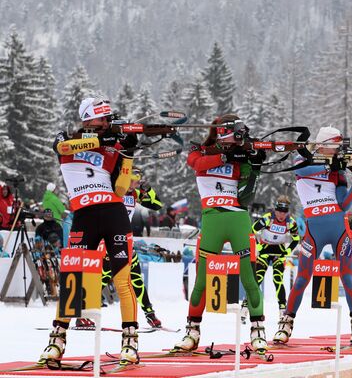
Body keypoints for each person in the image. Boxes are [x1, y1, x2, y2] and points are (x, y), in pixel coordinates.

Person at [38, 97, 140, 367]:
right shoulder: (68, 140)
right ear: (88, 120)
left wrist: (127, 153)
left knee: (122, 280)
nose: (107, 123)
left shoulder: (113, 147)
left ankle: (130, 341)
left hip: (113, 213)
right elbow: (61, 147)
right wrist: (104, 142)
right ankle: (57, 339)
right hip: (83, 216)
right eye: (102, 119)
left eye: (108, 119)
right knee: (74, 280)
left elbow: (120, 189)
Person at [174, 114, 268, 354]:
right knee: (202, 280)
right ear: (220, 132)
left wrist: (254, 166)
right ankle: (192, 332)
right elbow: (196, 164)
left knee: (249, 278)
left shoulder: (242, 156)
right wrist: (225, 156)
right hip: (212, 218)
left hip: (237, 217)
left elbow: (246, 196)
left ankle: (258, 332)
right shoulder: (201, 149)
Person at [273, 126, 352, 346]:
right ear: (323, 145)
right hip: (313, 231)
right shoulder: (302, 159)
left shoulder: (337, 171)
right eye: (334, 148)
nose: (336, 152)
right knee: (303, 278)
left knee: (347, 276)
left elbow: (343, 204)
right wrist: (331, 165)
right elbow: (302, 170)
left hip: (337, 228)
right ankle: (285, 324)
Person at [99, 167, 164, 328]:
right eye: (132, 182)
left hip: (125, 241)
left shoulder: (135, 194)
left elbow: (157, 205)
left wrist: (148, 190)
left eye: (136, 183)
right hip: (108, 241)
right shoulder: (114, 190)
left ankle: (149, 313)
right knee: (102, 278)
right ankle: (81, 310)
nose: (133, 186)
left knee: (136, 278)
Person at [243, 195, 300, 322]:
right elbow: (252, 231)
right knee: (257, 278)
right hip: (265, 249)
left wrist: (287, 251)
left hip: (279, 252)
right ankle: (245, 306)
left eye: (284, 212)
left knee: (277, 279)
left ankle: (282, 311)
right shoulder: (268, 219)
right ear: (275, 210)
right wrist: (258, 246)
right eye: (279, 212)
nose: (281, 215)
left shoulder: (290, 222)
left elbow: (296, 239)